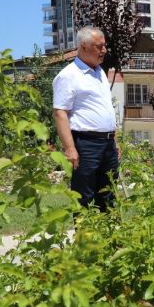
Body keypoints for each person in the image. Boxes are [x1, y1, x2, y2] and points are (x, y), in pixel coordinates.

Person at [52, 26, 118, 211]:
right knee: (85, 196)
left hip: (107, 144)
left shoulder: (100, 73)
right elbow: (60, 113)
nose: (104, 50)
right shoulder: (68, 76)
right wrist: (70, 148)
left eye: (105, 46)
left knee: (108, 193)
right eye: (99, 46)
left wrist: (115, 140)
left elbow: (106, 108)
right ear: (83, 46)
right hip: (86, 144)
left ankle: (109, 238)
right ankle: (84, 238)